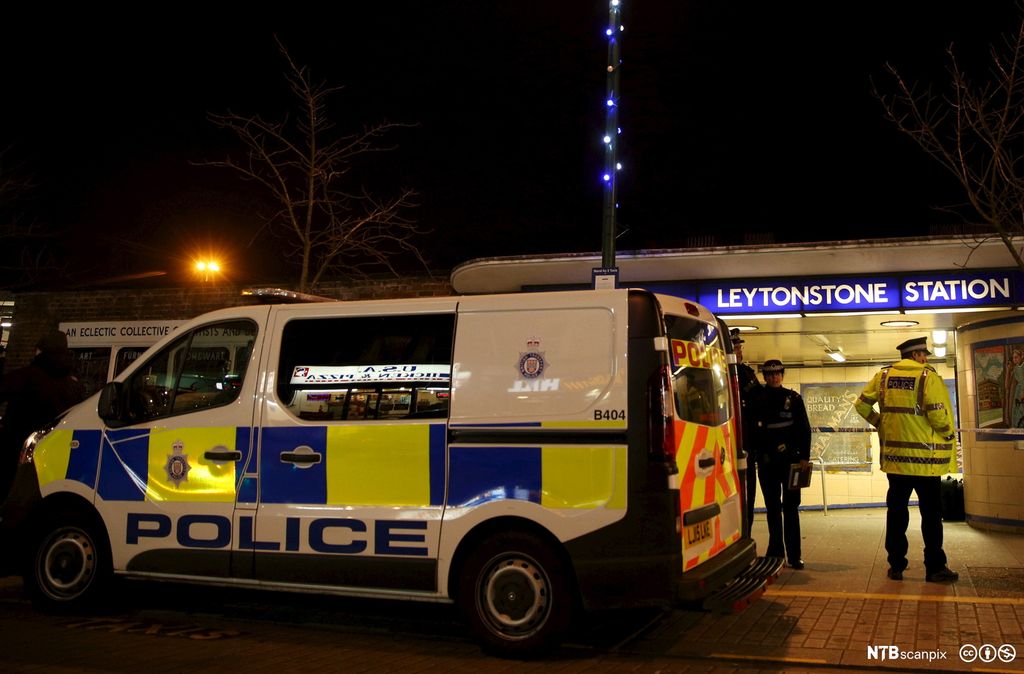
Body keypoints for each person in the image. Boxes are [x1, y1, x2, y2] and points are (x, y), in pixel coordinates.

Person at [855, 336, 959, 583]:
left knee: (897, 513)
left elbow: (861, 406)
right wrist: (947, 433)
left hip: (897, 463)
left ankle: (896, 566)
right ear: (915, 355)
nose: (925, 359)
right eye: (923, 355)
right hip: (926, 463)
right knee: (931, 516)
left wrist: (880, 422)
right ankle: (934, 568)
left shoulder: (882, 377)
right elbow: (937, 414)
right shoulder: (927, 377)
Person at [0, 330, 85, 502]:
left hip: (17, 450)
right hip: (54, 454)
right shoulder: (74, 386)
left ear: (41, 351)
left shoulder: (26, 377)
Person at [756, 359, 810, 569]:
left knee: (791, 508)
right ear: (764, 377)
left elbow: (804, 429)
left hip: (792, 463)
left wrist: (804, 457)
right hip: (768, 463)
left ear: (783, 374)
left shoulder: (794, 398)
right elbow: (755, 431)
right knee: (772, 509)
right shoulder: (758, 399)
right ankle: (776, 553)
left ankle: (794, 555)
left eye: (777, 373)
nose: (774, 377)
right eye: (769, 374)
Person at [731, 328, 763, 533]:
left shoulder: (745, 372)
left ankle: (746, 534)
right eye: (736, 347)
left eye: (740, 347)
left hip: (749, 444)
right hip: (733, 444)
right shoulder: (726, 373)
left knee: (748, 493)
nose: (740, 351)